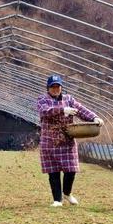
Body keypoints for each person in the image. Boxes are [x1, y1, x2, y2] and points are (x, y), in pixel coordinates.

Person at [37, 74, 103, 207]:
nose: (55, 89)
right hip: (50, 141)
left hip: (67, 140)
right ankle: (57, 200)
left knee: (71, 169)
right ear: (48, 88)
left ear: (61, 87)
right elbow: (45, 112)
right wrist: (62, 110)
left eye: (58, 86)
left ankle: (67, 193)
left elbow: (81, 110)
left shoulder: (69, 99)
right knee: (53, 171)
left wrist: (94, 118)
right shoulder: (42, 100)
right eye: (53, 87)